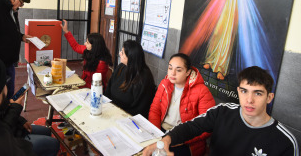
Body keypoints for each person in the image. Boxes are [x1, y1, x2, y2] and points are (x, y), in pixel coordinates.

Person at [143, 66, 299, 156]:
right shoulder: (223, 112)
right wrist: (167, 139)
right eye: (244, 91)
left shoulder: (284, 142)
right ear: (238, 91)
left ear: (269, 97)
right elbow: (191, 127)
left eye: (258, 93)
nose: (249, 100)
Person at [148, 53, 215, 156]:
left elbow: (208, 126)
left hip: (186, 140)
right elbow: (155, 110)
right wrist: (156, 135)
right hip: (162, 133)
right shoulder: (164, 84)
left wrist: (181, 139)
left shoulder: (202, 91)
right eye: (170, 68)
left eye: (178, 70)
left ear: (188, 72)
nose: (172, 73)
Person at [104, 40, 155, 118]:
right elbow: (109, 89)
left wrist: (118, 114)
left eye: (123, 52)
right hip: (110, 110)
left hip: (126, 117)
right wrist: (105, 104)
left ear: (130, 57)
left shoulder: (144, 78)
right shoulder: (121, 67)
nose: (120, 53)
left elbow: (139, 109)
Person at [60, 19, 113, 89]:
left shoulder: (102, 62)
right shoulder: (88, 50)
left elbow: (94, 81)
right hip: (84, 83)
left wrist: (78, 84)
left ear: (94, 45)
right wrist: (66, 31)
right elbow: (76, 46)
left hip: (94, 88)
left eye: (87, 42)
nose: (85, 44)